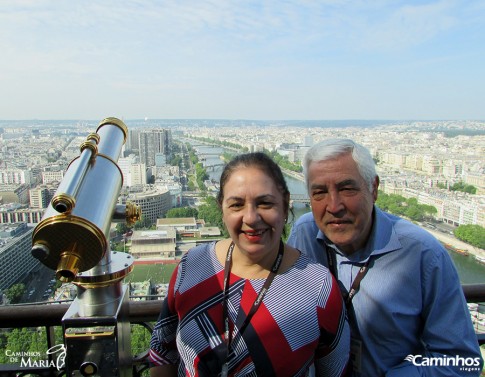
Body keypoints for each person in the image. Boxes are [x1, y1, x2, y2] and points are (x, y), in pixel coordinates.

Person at [287, 138, 483, 377]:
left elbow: (462, 361)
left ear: (374, 188)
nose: (334, 205)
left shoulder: (424, 254)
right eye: (319, 193)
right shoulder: (305, 232)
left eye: (347, 189)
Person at [149, 152, 351, 376]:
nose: (251, 218)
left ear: (285, 207)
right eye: (236, 205)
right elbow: (162, 351)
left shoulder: (318, 287)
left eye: (265, 203)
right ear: (222, 210)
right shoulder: (191, 266)